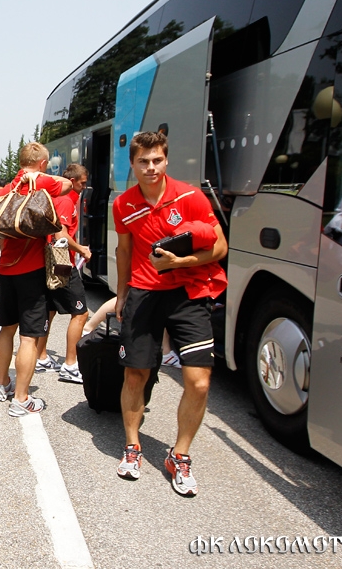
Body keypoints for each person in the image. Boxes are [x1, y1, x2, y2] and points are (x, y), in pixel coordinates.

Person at [113, 131, 227, 496]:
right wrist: (121, 295)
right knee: (136, 376)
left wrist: (185, 261)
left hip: (188, 295)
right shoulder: (124, 204)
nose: (151, 167)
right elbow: (124, 251)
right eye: (143, 161)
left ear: (166, 160)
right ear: (132, 164)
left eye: (157, 160)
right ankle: (133, 447)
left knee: (199, 381)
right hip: (144, 294)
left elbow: (220, 246)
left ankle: (179, 455)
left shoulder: (190, 197)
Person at [0, 142, 72, 416]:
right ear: (41, 164)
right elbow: (68, 184)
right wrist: (40, 177)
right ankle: (22, 398)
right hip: (32, 271)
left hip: (6, 269)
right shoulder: (43, 184)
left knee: (6, 328)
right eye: (46, 164)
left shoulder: (7, 188)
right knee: (29, 337)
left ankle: (2, 384)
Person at [35, 164, 91, 383]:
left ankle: (41, 357)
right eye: (82, 183)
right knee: (81, 313)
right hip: (61, 261)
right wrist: (82, 249)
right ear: (72, 181)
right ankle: (70, 364)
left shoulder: (55, 197)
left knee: (50, 310)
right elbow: (62, 234)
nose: (84, 187)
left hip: (46, 260)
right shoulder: (67, 200)